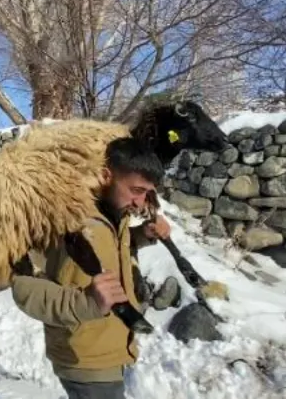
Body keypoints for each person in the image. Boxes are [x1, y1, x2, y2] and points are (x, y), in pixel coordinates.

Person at [10, 137, 171, 398]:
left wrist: (143, 234)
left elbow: (104, 253)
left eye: (147, 193)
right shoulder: (62, 219)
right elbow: (23, 286)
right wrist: (87, 303)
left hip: (111, 348)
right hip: (85, 360)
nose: (141, 203)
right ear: (106, 176)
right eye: (136, 190)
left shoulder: (113, 212)